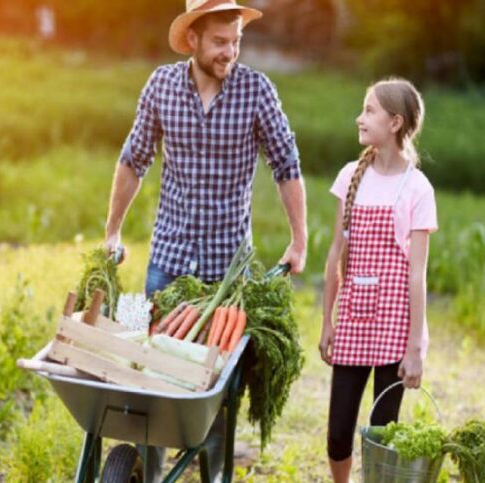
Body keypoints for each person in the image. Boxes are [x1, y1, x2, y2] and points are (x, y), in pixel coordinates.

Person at [104, 0, 307, 480]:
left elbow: (286, 164)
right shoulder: (161, 85)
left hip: (227, 273)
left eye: (236, 41)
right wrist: (112, 230)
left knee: (216, 388)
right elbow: (134, 159)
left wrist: (299, 240)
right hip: (168, 262)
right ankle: (149, 472)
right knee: (150, 373)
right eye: (219, 41)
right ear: (192, 38)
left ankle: (214, 474)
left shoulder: (256, 90)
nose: (229, 52)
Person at [319, 78, 437, 482]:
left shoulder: (417, 187)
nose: (360, 118)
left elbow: (417, 274)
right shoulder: (351, 175)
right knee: (338, 434)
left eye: (369, 110)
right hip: (353, 319)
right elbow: (336, 254)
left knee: (382, 435)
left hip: (394, 325)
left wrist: (415, 347)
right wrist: (327, 321)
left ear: (395, 122)